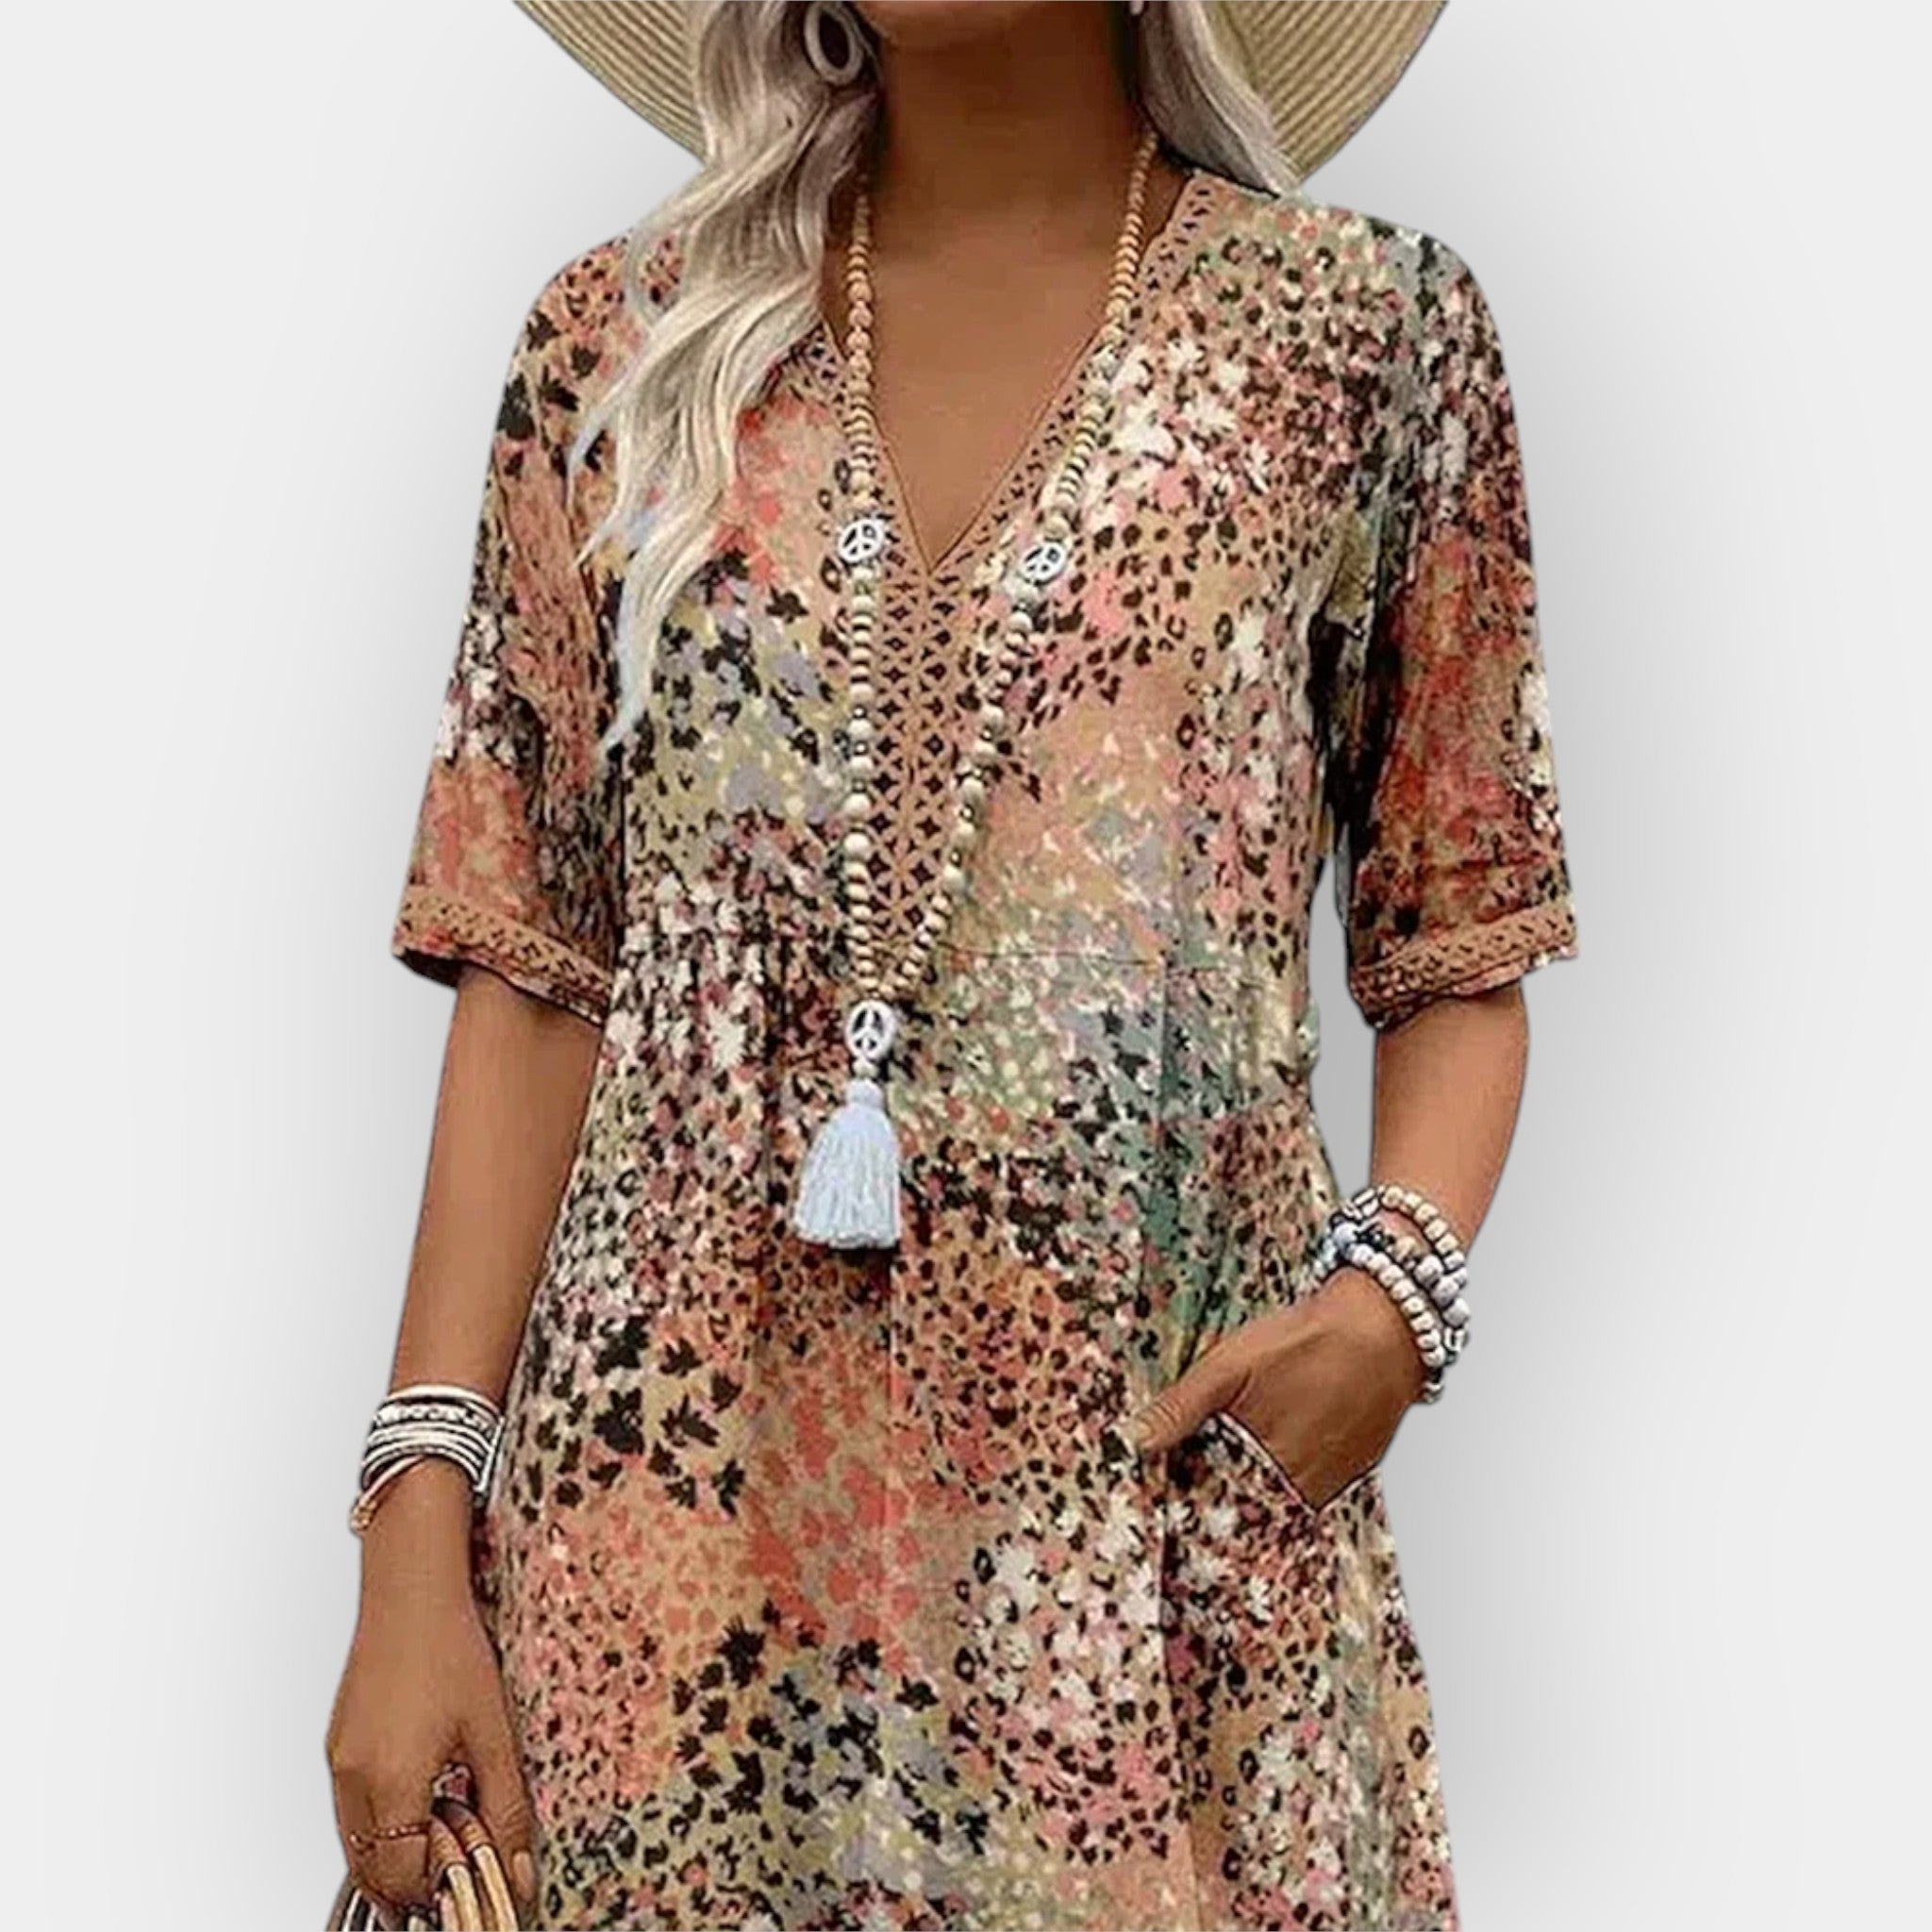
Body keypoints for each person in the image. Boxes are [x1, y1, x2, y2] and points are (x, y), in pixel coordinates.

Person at [325, 2, 1578, 1926]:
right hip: (662, 1582)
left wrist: (1386, 1310)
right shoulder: (622, 344)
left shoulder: (1361, 337)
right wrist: (416, 1518)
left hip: (1146, 1566)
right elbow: (535, 969)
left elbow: (1458, 929)